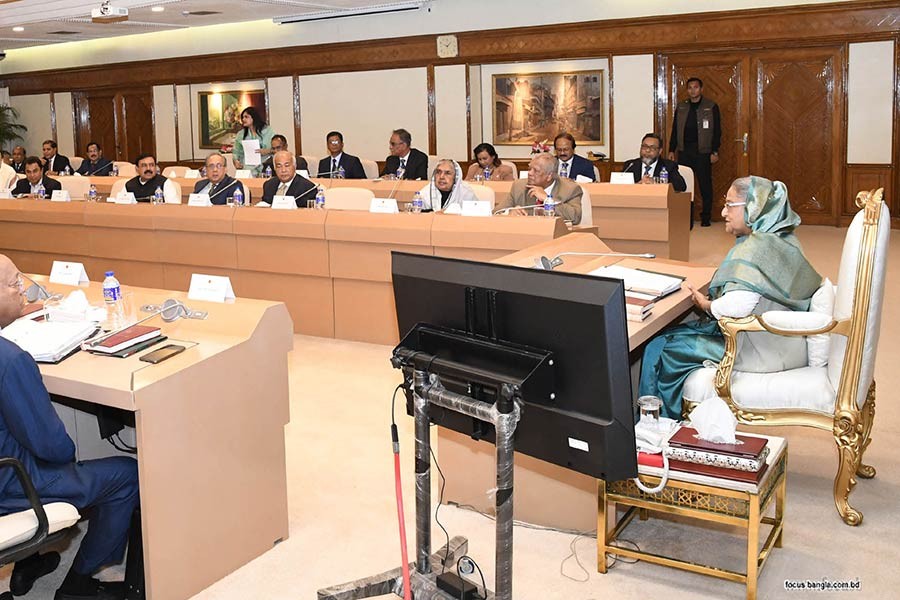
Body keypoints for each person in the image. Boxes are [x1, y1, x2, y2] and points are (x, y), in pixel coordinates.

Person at [0, 254, 139, 600]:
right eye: (15, 284)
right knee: (127, 473)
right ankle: (81, 583)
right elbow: (56, 448)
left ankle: (28, 562)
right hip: (12, 483)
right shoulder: (11, 361)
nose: (24, 292)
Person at [638, 176, 821, 419]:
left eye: (730, 205)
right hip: (786, 343)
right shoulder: (782, 238)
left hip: (759, 349)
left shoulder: (756, 249)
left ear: (753, 207)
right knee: (677, 331)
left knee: (660, 347)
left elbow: (737, 307)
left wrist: (706, 304)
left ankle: (659, 425)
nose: (723, 212)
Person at [668, 77, 721, 226]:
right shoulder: (682, 106)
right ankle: (686, 217)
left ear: (701, 89)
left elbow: (717, 131)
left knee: (705, 185)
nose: (693, 90)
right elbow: (675, 129)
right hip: (685, 151)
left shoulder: (711, 106)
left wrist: (715, 151)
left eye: (696, 87)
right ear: (687, 90)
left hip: (703, 152)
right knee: (684, 185)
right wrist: (672, 149)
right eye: (690, 87)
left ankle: (706, 217)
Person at [494, 153, 583, 224]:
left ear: (549, 176)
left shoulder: (570, 189)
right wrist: (509, 213)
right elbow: (496, 212)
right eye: (529, 169)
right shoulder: (519, 186)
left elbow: (575, 217)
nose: (530, 173)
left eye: (535, 171)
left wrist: (548, 199)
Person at [231, 107, 274, 177]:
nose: (243, 119)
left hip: (265, 167)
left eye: (246, 117)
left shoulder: (268, 131)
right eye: (242, 117)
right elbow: (236, 152)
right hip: (248, 169)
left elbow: (278, 148)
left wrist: (268, 151)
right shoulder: (241, 134)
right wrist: (236, 161)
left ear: (254, 117)